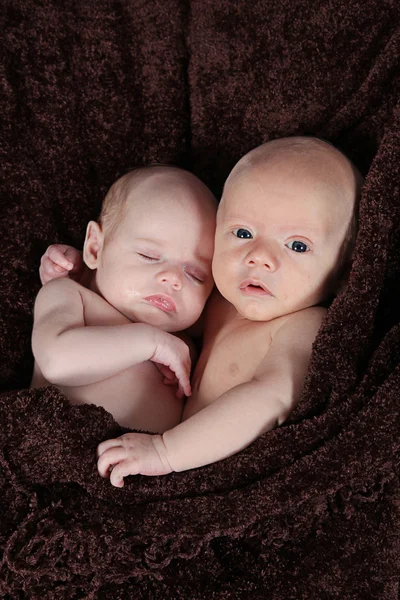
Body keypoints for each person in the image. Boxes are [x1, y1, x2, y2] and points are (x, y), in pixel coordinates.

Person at [41, 137, 363, 485]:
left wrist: (166, 451)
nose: (259, 257)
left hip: (165, 464)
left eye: (298, 245)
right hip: (94, 454)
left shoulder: (303, 325)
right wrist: (84, 274)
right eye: (242, 232)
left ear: (345, 272)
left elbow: (271, 397)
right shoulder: (215, 303)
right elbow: (126, 307)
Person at [31, 166, 217, 433]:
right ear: (95, 247)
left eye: (195, 274)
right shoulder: (70, 296)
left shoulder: (185, 345)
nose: (174, 279)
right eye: (149, 256)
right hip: (55, 447)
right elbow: (55, 362)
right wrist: (150, 343)